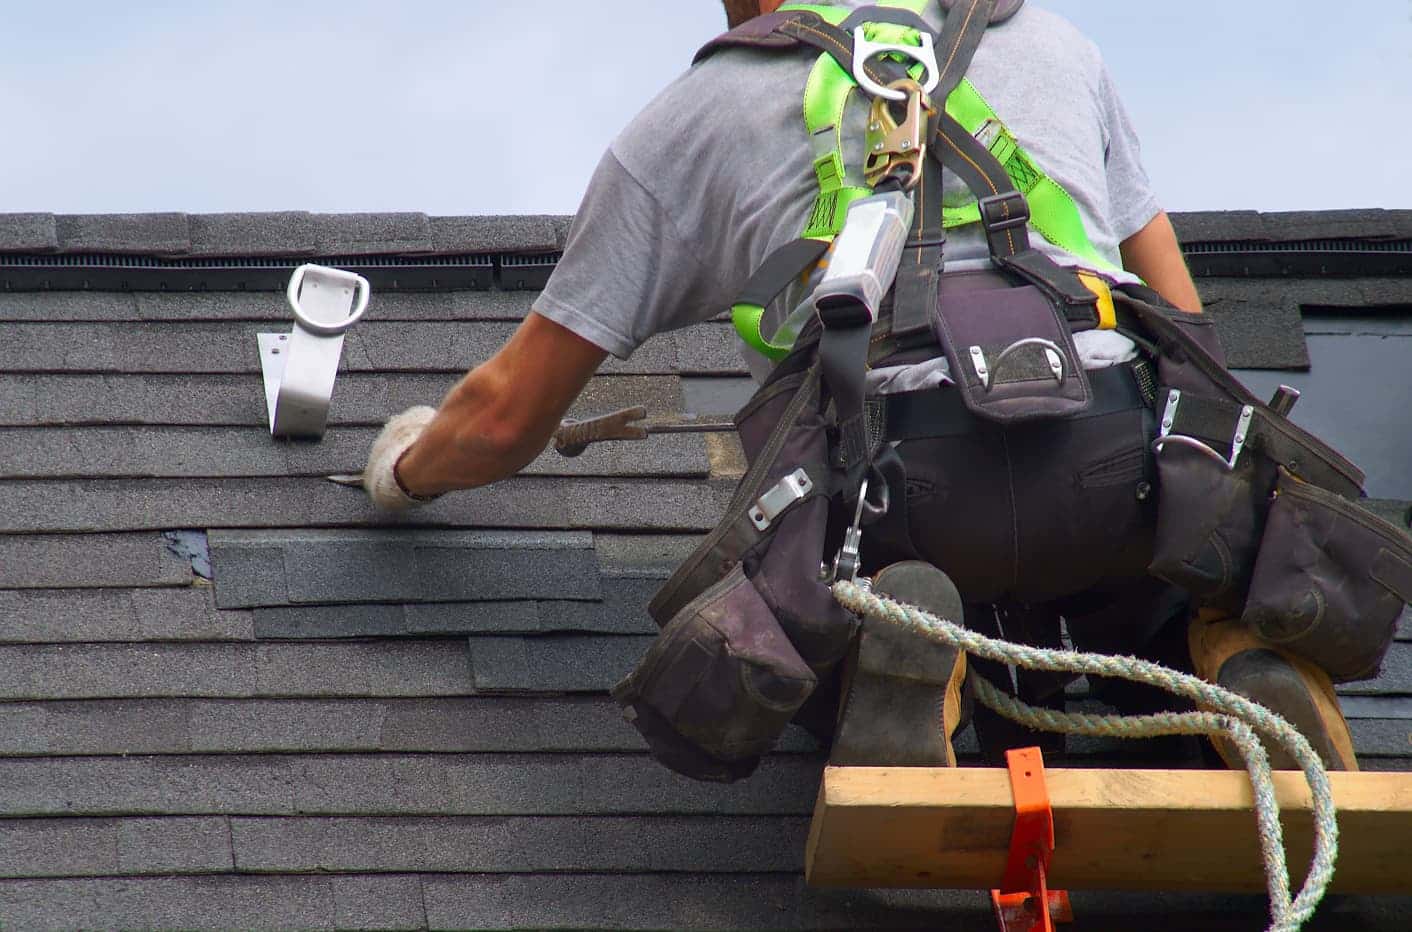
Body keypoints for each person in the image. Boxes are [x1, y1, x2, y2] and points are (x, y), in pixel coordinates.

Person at [360, 0, 1360, 773]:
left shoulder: (696, 112)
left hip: (901, 491)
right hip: (1118, 470)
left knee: (813, 593)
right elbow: (1190, 340)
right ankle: (1226, 653)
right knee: (1163, 565)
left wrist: (404, 470)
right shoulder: (1056, 46)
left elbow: (503, 414)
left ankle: (901, 654)